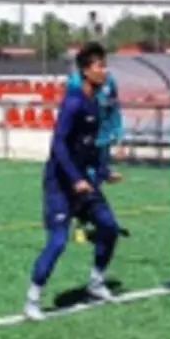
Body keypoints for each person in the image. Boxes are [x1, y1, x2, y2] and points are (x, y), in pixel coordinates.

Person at [23, 43, 122, 321]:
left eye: (105, 65)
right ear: (85, 71)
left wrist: (103, 172)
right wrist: (75, 179)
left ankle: (95, 283)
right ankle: (32, 299)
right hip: (60, 184)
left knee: (109, 227)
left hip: (84, 183)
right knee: (58, 241)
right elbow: (58, 145)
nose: (104, 71)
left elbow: (90, 147)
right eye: (99, 66)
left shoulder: (95, 103)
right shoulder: (73, 102)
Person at [68, 66, 123, 243]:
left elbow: (114, 109)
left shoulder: (110, 81)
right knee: (87, 182)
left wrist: (118, 137)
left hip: (103, 140)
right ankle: (81, 224)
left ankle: (91, 221)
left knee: (97, 181)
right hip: (84, 142)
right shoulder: (75, 81)